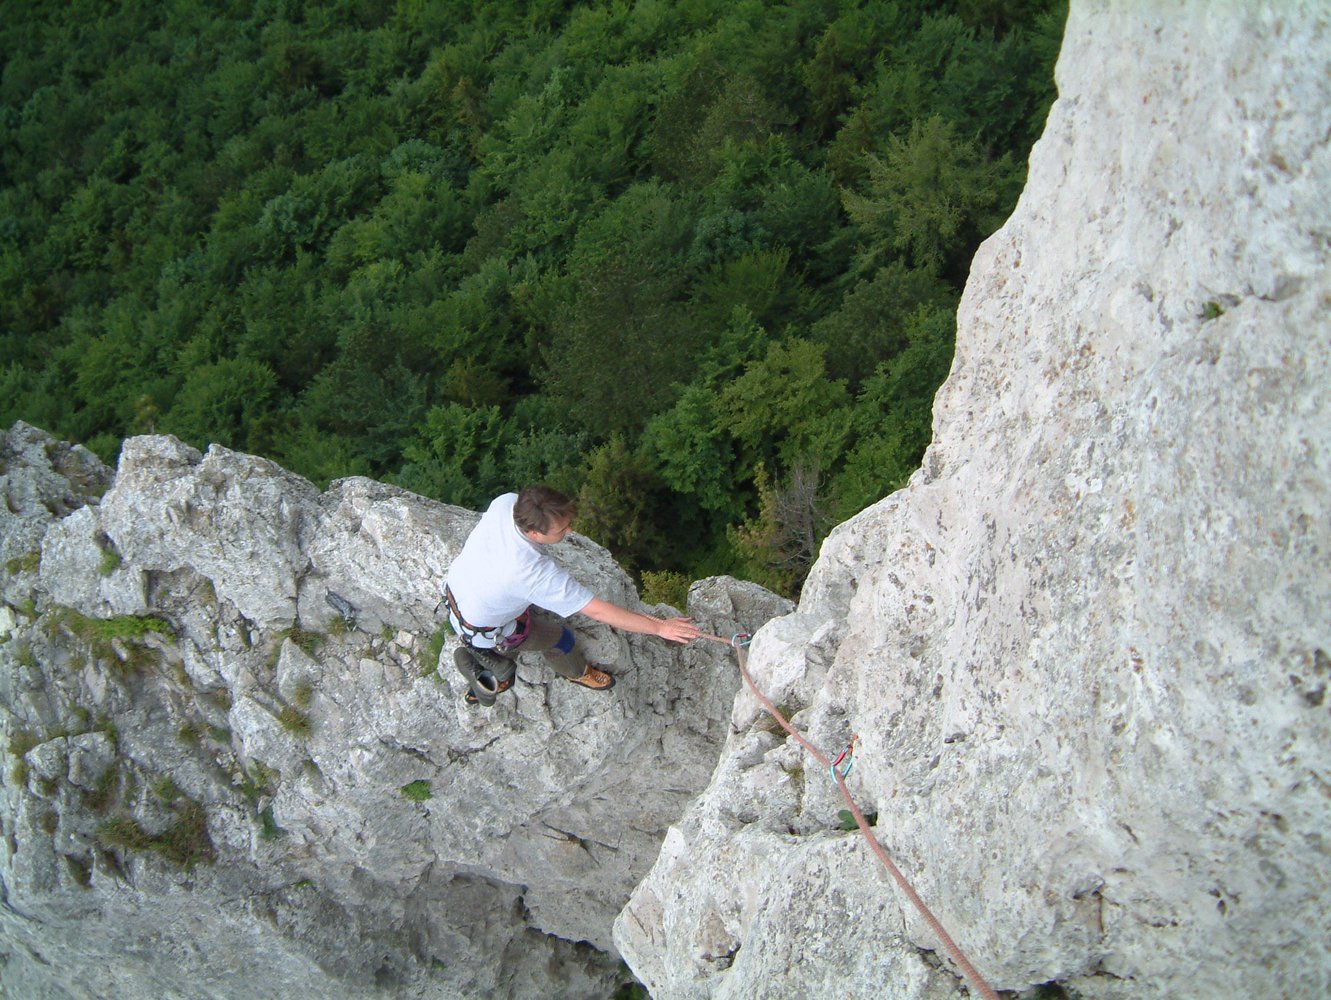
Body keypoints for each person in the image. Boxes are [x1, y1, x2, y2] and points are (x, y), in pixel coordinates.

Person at [444, 485, 701, 705]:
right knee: (560, 639)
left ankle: (484, 662)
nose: (569, 532)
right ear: (535, 533)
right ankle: (566, 673)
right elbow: (598, 611)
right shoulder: (532, 573)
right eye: (561, 529)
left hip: (458, 597)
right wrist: (660, 628)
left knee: (519, 614)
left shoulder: (506, 504)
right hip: (484, 627)